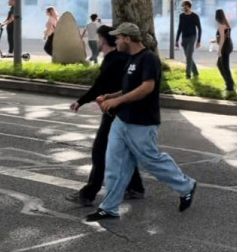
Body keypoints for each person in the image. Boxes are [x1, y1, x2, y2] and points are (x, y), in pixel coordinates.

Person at [86, 23, 198, 222]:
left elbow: (147, 87)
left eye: (118, 38)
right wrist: (111, 95)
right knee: (115, 165)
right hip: (122, 121)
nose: (116, 41)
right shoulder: (132, 59)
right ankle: (109, 208)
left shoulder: (149, 59)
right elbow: (130, 88)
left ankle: (186, 185)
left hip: (142, 122)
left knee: (151, 159)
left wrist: (116, 101)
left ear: (127, 38)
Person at [67, 25, 145, 206]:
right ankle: (136, 187)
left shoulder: (113, 60)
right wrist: (82, 101)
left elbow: (99, 86)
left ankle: (88, 193)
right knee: (124, 151)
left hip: (115, 111)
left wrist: (82, 101)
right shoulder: (122, 58)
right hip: (124, 111)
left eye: (99, 38)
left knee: (100, 151)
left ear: (103, 41)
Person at [175, 1, 202, 79]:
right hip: (184, 38)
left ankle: (188, 75)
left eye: (184, 6)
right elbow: (179, 28)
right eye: (183, 6)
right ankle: (196, 72)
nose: (183, 8)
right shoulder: (182, 16)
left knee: (189, 55)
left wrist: (198, 41)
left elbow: (199, 29)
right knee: (188, 56)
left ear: (188, 6)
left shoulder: (195, 16)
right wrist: (177, 40)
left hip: (192, 37)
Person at [213, 9, 236, 94]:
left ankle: (230, 86)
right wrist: (215, 41)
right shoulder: (226, 23)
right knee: (221, 65)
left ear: (217, 16)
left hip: (225, 47)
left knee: (224, 66)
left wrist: (219, 50)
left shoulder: (220, 25)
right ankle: (230, 83)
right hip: (228, 45)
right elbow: (224, 36)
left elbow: (222, 38)